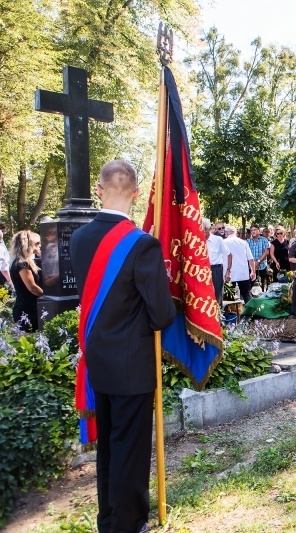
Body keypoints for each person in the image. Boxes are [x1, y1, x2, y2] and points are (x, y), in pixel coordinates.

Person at [70, 160, 176, 533]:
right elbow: (161, 315)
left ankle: (109, 520)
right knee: (130, 451)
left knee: (109, 452)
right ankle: (128, 526)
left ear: (99, 190)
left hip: (97, 361)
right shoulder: (142, 244)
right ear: (136, 193)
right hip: (132, 366)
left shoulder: (79, 239)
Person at [9, 230, 43, 331]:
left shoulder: (24, 262)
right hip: (26, 309)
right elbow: (32, 287)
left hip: (29, 306)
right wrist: (46, 296)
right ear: (29, 244)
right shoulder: (22, 264)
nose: (39, 245)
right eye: (37, 243)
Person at [202, 218, 232, 308]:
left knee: (217, 295)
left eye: (204, 230)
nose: (202, 232)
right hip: (203, 270)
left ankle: (219, 313)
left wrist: (228, 271)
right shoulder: (198, 241)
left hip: (216, 270)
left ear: (208, 229)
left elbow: (229, 255)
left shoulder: (218, 240)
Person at [225, 225, 256, 304]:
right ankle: (250, 310)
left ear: (227, 233)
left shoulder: (224, 242)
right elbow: (250, 258)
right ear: (235, 233)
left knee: (228, 297)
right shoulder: (243, 242)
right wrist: (253, 271)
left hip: (228, 273)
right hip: (243, 272)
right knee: (246, 294)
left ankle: (229, 311)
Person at [247, 224, 271, 288]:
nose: (253, 231)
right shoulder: (248, 241)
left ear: (259, 231)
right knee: (251, 285)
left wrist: (258, 261)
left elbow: (266, 252)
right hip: (252, 267)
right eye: (251, 230)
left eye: (254, 230)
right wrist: (253, 263)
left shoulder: (264, 240)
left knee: (262, 284)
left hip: (262, 266)